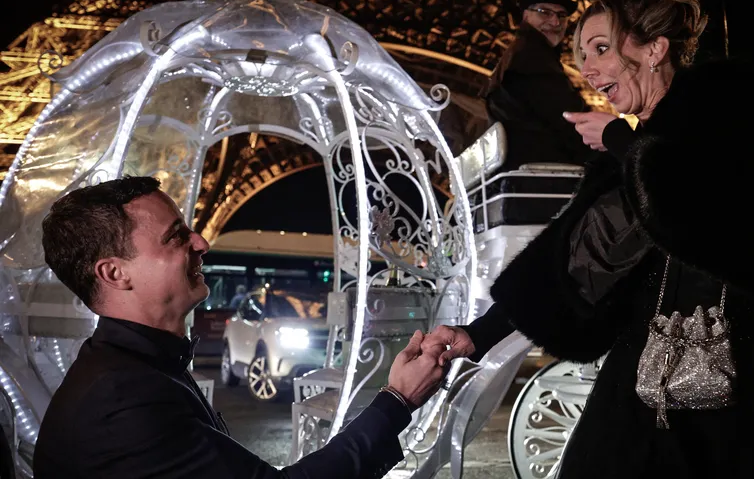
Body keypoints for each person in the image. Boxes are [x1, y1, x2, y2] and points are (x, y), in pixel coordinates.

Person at [424, 0, 754, 477]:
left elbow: (698, 217)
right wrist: (477, 334)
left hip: (732, 369)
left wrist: (620, 142)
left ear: (654, 49)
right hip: (644, 373)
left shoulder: (725, 112)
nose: (588, 69)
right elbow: (573, 263)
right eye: (582, 55)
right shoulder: (630, 155)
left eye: (601, 48)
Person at [33, 176, 446, 478]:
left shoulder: (134, 369)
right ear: (114, 273)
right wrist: (398, 400)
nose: (201, 243)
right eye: (176, 236)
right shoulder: (123, 401)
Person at [482, 0, 590, 172]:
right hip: (544, 172)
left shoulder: (521, 54)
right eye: (544, 12)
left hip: (523, 169)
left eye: (561, 15)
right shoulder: (533, 57)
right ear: (526, 16)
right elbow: (567, 118)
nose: (555, 21)